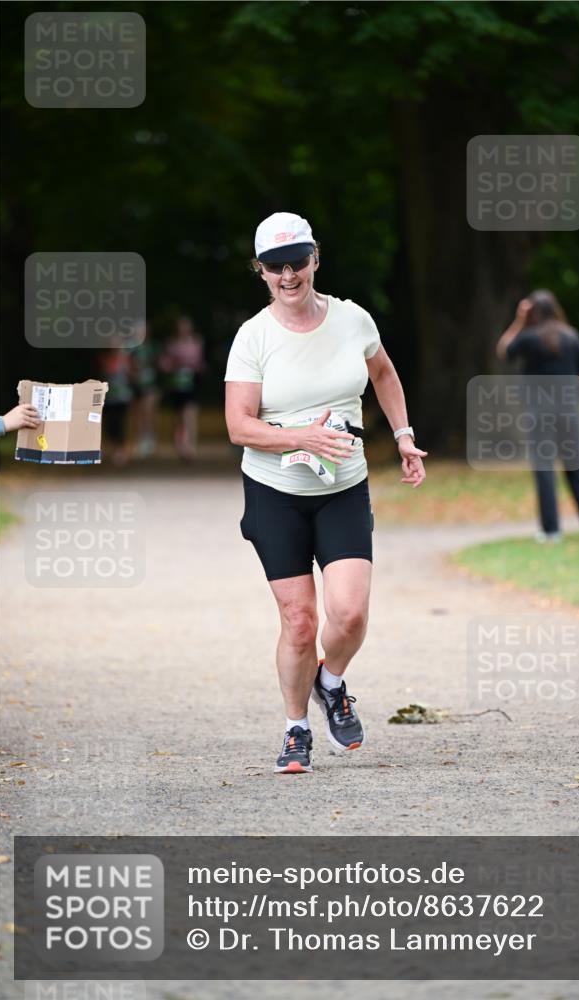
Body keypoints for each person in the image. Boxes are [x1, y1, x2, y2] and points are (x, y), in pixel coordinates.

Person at [224, 211, 427, 774]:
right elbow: (239, 426)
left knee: (351, 614)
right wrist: (301, 436)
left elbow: (384, 374)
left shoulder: (352, 319)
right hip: (275, 490)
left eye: (297, 262)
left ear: (315, 259)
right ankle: (295, 729)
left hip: (343, 485)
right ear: (261, 271)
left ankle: (329, 681)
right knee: (300, 621)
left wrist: (404, 437)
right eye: (275, 267)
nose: (288, 275)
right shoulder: (253, 337)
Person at [496, 289, 579, 542]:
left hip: (539, 412)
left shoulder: (528, 337)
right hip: (568, 410)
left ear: (531, 312)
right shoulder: (572, 337)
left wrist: (518, 320)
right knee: (577, 466)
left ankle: (551, 529)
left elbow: (503, 350)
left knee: (544, 468)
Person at [159, 316, 205, 460]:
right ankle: (180, 444)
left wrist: (193, 365)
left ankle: (190, 446)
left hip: (192, 384)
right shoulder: (171, 344)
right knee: (179, 417)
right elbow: (163, 364)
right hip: (176, 385)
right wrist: (174, 364)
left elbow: (200, 363)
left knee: (190, 415)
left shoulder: (196, 342)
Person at [99, 340, 134, 466]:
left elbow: (131, 376)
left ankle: (122, 451)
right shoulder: (105, 360)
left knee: (121, 424)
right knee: (110, 424)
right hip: (109, 398)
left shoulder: (125, 360)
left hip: (123, 397)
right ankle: (113, 449)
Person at [128, 321, 159, 458]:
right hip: (135, 384)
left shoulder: (152, 347)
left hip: (150, 384)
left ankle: (150, 439)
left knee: (149, 411)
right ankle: (140, 439)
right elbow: (125, 364)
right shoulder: (130, 347)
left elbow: (159, 364)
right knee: (138, 413)